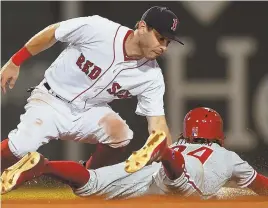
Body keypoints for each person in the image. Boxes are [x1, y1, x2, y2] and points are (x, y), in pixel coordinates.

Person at [0, 6, 184, 172]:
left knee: (121, 134)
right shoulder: (99, 29)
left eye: (168, 42)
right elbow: (53, 33)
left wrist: (170, 157)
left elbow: (158, 123)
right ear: (143, 27)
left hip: (89, 111)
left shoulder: (152, 76)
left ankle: (87, 179)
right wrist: (15, 62)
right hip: (51, 99)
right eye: (160, 38)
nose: (163, 47)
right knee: (20, 147)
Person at [1, 107, 268, 198]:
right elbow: (262, 187)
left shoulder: (182, 144)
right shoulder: (229, 157)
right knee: (180, 182)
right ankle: (162, 152)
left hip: (152, 170)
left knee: (92, 185)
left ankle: (45, 166)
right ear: (220, 136)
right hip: (181, 171)